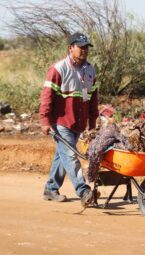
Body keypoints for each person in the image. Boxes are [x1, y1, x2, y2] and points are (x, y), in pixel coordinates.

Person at [39, 32, 99, 206]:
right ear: (70, 48)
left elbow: (93, 98)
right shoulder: (58, 69)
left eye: (86, 47)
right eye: (80, 47)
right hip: (61, 123)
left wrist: (92, 123)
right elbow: (47, 97)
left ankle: (50, 188)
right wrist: (45, 120)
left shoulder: (90, 69)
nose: (84, 50)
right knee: (70, 156)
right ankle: (84, 191)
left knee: (62, 155)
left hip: (78, 124)